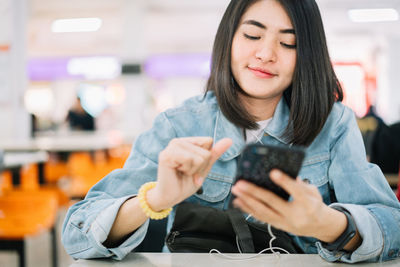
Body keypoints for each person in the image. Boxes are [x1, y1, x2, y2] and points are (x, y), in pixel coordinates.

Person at [61, 0, 400, 263]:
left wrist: (326, 223)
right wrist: (154, 199)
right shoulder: (178, 125)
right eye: (252, 35)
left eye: (288, 43)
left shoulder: (334, 124)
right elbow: (76, 233)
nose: (265, 54)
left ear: (306, 56)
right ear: (229, 39)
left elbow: (391, 226)